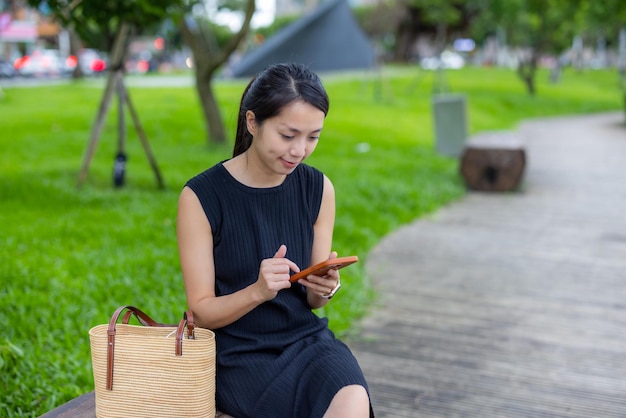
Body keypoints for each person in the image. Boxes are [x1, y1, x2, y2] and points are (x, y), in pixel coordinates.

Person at [176, 63, 373, 418]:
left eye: (313, 137)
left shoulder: (318, 188)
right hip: (239, 355)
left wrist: (323, 287)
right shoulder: (201, 197)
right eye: (288, 135)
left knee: (352, 397)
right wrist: (258, 291)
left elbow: (314, 302)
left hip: (307, 342)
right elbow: (201, 313)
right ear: (252, 122)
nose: (300, 150)